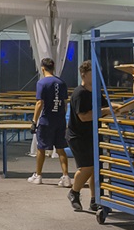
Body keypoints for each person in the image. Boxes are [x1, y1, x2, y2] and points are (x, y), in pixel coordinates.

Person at [67, 60, 107, 211]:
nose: (96, 75)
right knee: (87, 167)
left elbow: (105, 108)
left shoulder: (96, 92)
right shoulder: (79, 93)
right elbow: (83, 116)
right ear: (84, 74)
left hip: (93, 134)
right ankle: (74, 192)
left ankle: (95, 200)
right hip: (78, 136)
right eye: (93, 72)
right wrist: (106, 111)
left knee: (96, 168)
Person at [28, 58, 71, 187]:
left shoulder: (42, 83)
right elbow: (64, 103)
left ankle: (38, 175)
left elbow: (39, 103)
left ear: (42, 68)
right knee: (60, 149)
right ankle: (66, 176)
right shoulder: (61, 83)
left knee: (41, 148)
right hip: (59, 120)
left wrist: (34, 121)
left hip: (46, 120)